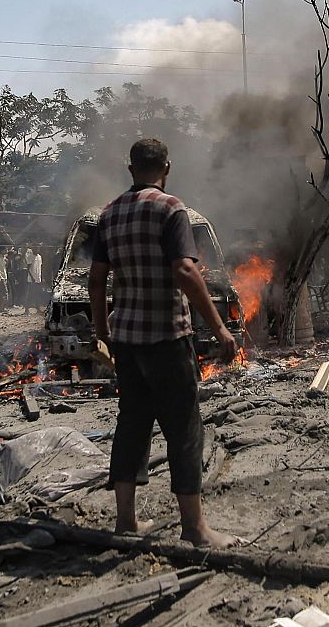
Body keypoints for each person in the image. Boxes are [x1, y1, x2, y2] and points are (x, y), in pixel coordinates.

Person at [89, 138, 237, 547]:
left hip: (127, 343)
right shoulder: (172, 209)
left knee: (132, 425)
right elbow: (186, 272)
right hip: (168, 338)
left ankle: (126, 522)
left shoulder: (109, 214)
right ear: (166, 167)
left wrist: (103, 335)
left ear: (130, 167)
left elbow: (97, 281)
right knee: (184, 428)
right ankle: (195, 528)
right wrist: (220, 328)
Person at [26, 246, 44, 312]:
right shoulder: (30, 257)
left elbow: (40, 267)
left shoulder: (39, 257)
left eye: (37, 248)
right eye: (35, 248)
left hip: (38, 278)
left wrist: (41, 277)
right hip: (32, 279)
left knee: (37, 293)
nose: (36, 249)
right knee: (30, 294)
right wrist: (32, 277)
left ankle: (37, 307)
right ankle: (26, 309)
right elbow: (28, 268)